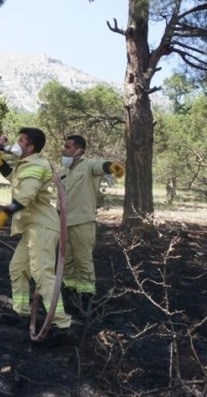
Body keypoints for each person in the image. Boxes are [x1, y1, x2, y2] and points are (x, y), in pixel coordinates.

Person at [0, 127, 72, 345]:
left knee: (42, 274)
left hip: (43, 227)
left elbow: (26, 195)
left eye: (21, 141)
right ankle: (22, 312)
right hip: (33, 227)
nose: (16, 143)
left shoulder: (37, 165)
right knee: (18, 269)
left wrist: (3, 214)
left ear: (30, 147)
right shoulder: (27, 164)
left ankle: (62, 324)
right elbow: (14, 179)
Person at [59, 135, 124, 317]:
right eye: (64, 146)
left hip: (82, 223)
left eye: (68, 147)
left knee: (83, 261)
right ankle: (70, 299)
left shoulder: (89, 165)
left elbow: (104, 165)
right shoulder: (64, 170)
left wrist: (115, 169)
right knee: (68, 262)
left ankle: (86, 300)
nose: (64, 150)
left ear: (79, 150)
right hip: (64, 223)